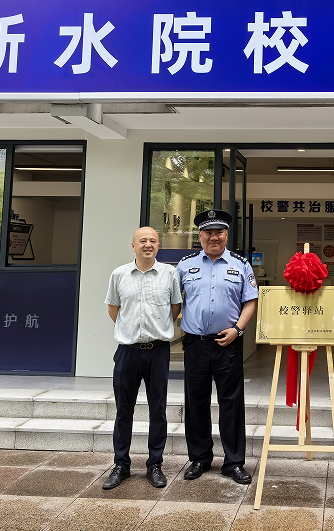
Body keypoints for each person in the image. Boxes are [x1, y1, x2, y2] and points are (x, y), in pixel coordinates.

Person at [176, 209, 258, 485]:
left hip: (228, 343)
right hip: (196, 344)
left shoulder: (241, 264)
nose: (214, 237)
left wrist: (238, 329)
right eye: (208, 233)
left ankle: (234, 462)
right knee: (196, 402)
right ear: (200, 236)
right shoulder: (185, 265)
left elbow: (251, 301)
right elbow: (174, 300)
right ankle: (200, 458)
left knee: (231, 403)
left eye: (219, 232)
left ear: (226, 235)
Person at [102, 227, 182, 490]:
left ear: (158, 246)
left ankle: (155, 464)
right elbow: (114, 309)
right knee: (124, 409)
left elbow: (175, 308)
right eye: (143, 240)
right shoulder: (119, 274)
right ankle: (121, 464)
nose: (148, 244)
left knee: (158, 409)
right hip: (128, 351)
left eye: (153, 241)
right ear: (133, 245)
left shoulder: (169, 274)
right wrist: (131, 331)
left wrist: (157, 330)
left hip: (158, 351)